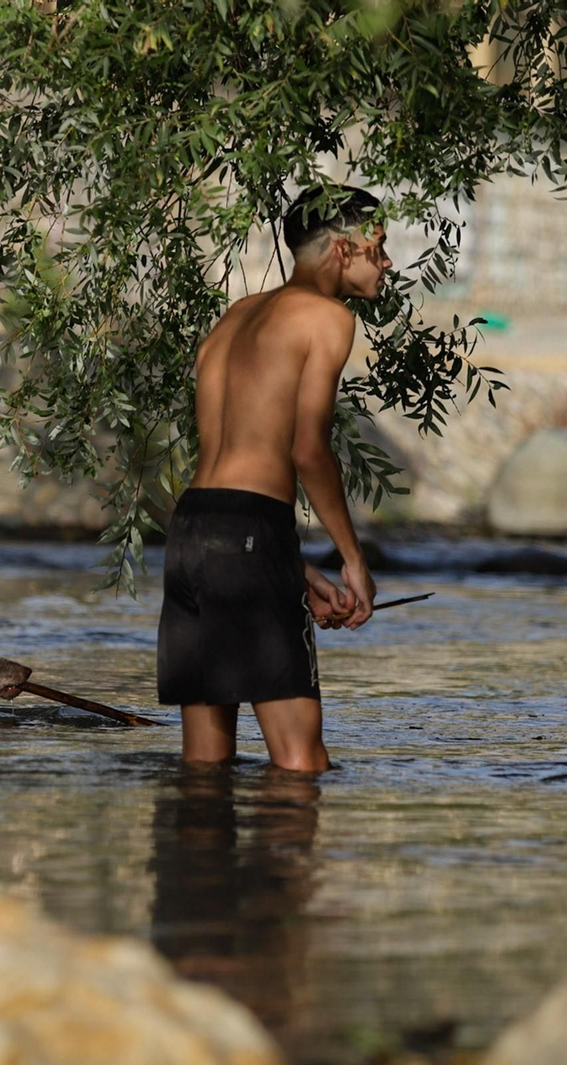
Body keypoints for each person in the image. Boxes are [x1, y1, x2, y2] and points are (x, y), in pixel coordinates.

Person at [157, 185, 387, 772]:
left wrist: (296, 571)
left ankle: (202, 863)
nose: (386, 262)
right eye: (379, 246)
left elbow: (231, 479)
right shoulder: (328, 318)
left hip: (192, 532)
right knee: (301, 763)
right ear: (343, 249)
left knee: (205, 766)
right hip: (249, 532)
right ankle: (288, 866)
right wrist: (351, 557)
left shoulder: (236, 316)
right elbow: (307, 450)